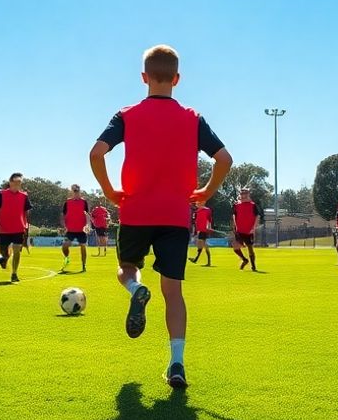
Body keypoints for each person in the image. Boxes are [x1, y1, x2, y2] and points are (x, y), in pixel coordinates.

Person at [90, 44, 232, 388]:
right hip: (175, 215)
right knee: (173, 291)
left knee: (126, 269)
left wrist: (109, 190)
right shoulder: (192, 118)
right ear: (177, 79)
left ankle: (136, 288)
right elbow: (224, 159)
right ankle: (177, 363)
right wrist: (206, 192)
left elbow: (96, 152)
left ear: (144, 77)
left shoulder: (127, 114)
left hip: (136, 209)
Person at [0, 173, 31, 283]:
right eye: (16, 182)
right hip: (4, 229)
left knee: (17, 250)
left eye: (20, 183)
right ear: (11, 182)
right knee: (4, 254)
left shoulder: (24, 196)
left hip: (19, 228)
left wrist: (27, 228)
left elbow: (26, 213)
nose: (18, 185)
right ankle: (2, 260)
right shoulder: (2, 195)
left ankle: (14, 273)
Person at [61, 184, 92, 272]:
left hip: (81, 230)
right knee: (65, 246)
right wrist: (64, 225)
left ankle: (83, 266)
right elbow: (63, 215)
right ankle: (67, 258)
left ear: (79, 191)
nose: (76, 192)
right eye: (74, 190)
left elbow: (87, 215)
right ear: (71, 191)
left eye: (77, 190)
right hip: (70, 230)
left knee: (83, 246)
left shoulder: (84, 202)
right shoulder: (67, 202)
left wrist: (88, 225)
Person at [231, 188, 264, 271]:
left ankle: (253, 266)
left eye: (245, 194)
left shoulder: (253, 205)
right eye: (241, 194)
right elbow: (234, 215)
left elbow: (258, 216)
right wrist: (235, 226)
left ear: (248, 195)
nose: (243, 195)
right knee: (235, 247)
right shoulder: (236, 205)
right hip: (239, 230)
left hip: (249, 231)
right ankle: (244, 260)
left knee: (250, 248)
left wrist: (253, 228)